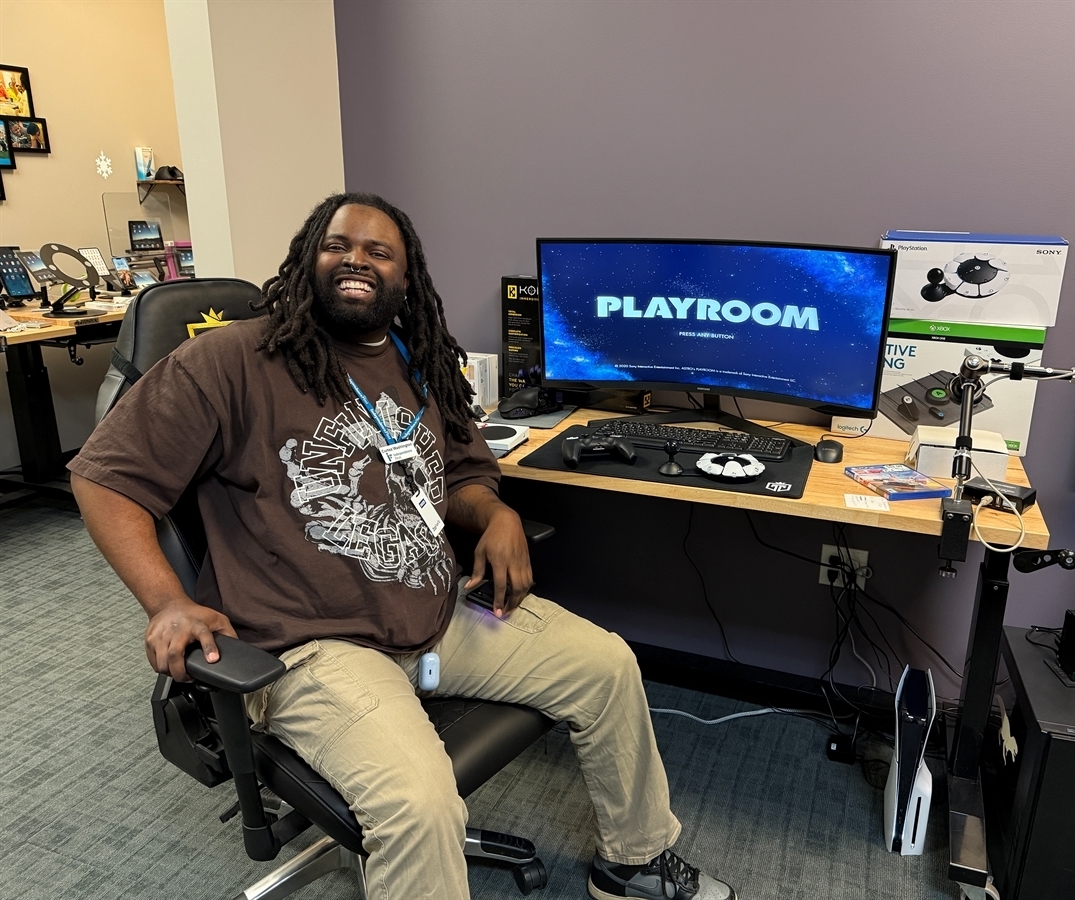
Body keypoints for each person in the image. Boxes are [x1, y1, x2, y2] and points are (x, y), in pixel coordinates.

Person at [69, 192, 738, 900]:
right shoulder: (231, 360)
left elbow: (465, 474)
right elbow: (105, 479)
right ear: (306, 261)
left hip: (437, 613)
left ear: (405, 279)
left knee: (606, 665)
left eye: (379, 251)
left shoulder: (416, 359)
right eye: (338, 245)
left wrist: (496, 515)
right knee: (420, 804)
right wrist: (167, 601)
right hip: (312, 644)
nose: (357, 258)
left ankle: (632, 862)